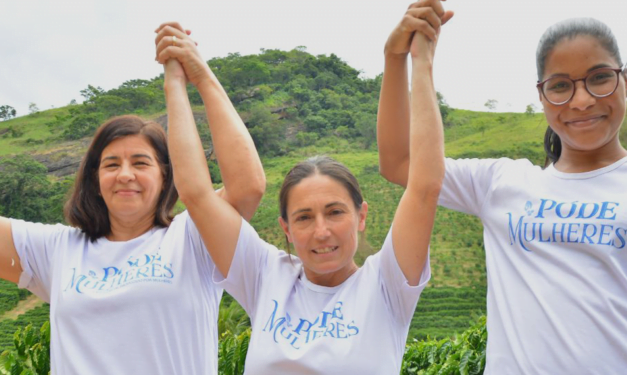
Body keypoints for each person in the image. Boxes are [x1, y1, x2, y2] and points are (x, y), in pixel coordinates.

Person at [377, 2, 627, 373]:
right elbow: (400, 163)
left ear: (626, 80)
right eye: (560, 86)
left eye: (600, 77)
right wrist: (403, 58)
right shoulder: (499, 184)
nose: (583, 100)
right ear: (541, 97)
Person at [0, 24, 265, 374]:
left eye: (141, 163)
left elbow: (247, 186)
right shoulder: (58, 250)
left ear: (166, 175)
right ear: (94, 179)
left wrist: (196, 75)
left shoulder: (195, 239)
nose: (125, 174)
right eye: (111, 164)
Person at [155, 18, 445, 374]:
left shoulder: (386, 284)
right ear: (286, 229)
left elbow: (424, 186)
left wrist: (420, 60)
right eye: (304, 217)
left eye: (335, 212)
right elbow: (197, 195)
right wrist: (185, 79)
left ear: (362, 215)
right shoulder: (265, 276)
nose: (321, 231)